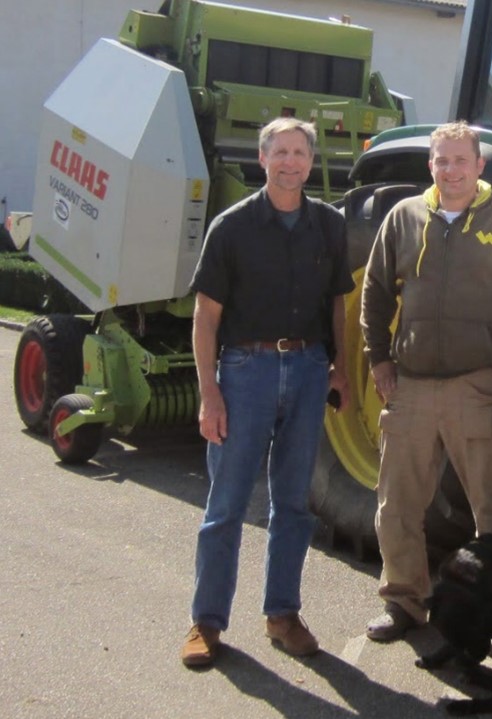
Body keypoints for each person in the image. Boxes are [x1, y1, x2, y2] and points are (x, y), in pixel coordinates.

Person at [361, 121, 492, 642]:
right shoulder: (404, 217)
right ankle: (404, 601)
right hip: (413, 388)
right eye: (441, 161)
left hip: (481, 388)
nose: (450, 170)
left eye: (460, 161)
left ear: (479, 165)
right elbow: (375, 291)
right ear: (430, 165)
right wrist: (379, 360)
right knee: (396, 504)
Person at [180, 117, 355, 667]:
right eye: (280, 152)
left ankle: (282, 614)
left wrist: (342, 368)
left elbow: (337, 305)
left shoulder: (329, 225)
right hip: (245, 371)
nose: (290, 162)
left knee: (295, 503)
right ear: (262, 159)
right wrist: (210, 392)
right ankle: (206, 623)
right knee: (226, 504)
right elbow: (205, 318)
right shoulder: (231, 228)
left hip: (307, 369)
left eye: (299, 152)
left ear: (310, 160)